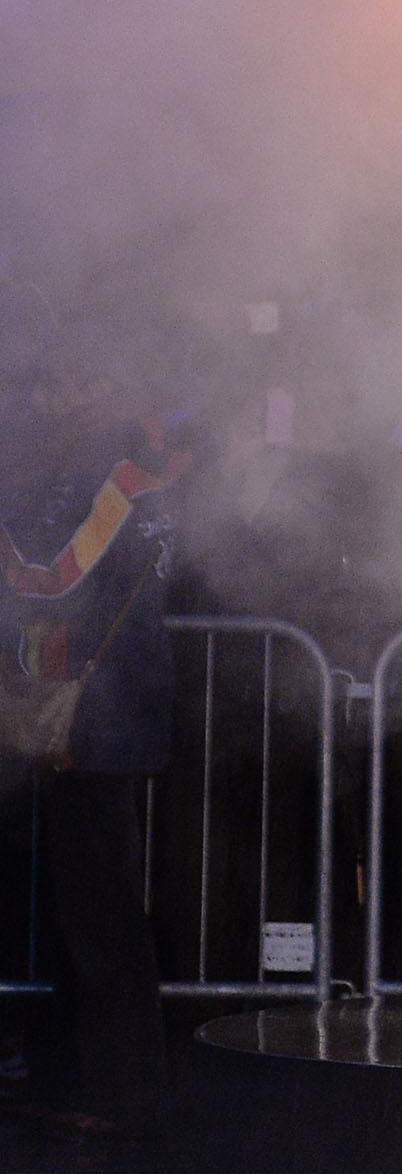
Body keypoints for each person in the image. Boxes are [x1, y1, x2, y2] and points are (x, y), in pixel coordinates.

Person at [0, 328, 189, 1131]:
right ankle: (80, 1075)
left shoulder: (118, 481)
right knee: (80, 905)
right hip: (98, 714)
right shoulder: (136, 476)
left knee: (99, 909)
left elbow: (48, 578)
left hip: (98, 718)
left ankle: (120, 1089)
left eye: (60, 388)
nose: (45, 404)